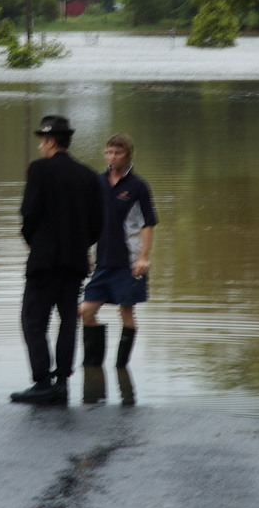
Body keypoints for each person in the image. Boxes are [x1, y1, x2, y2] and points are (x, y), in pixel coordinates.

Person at [12, 115, 103, 405]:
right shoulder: (88, 175)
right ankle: (62, 382)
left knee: (33, 321)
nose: (40, 146)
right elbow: (97, 223)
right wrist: (81, 247)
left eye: (42, 140)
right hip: (75, 262)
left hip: (44, 261)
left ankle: (42, 382)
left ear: (50, 141)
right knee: (67, 322)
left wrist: (33, 242)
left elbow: (29, 214)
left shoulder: (39, 170)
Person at [81, 132, 158, 371]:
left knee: (126, 312)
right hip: (103, 261)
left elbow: (149, 223)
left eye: (118, 152)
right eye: (109, 152)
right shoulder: (97, 181)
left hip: (129, 262)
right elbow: (87, 220)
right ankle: (93, 367)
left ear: (129, 155)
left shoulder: (137, 186)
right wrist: (85, 254)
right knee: (85, 311)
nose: (112, 157)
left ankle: (120, 368)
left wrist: (144, 257)